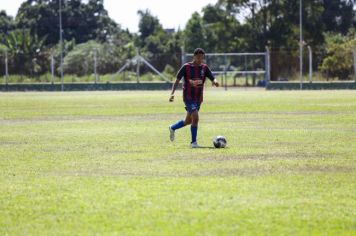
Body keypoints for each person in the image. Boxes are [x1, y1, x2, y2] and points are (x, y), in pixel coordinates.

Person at [168, 48, 219, 148]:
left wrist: (215, 81)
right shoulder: (186, 67)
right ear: (194, 56)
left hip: (198, 98)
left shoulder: (204, 68)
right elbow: (177, 80)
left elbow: (212, 77)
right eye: (198, 57)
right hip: (188, 97)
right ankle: (193, 143)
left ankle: (172, 127)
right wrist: (172, 94)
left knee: (189, 121)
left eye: (202, 57)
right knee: (195, 117)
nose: (200, 59)